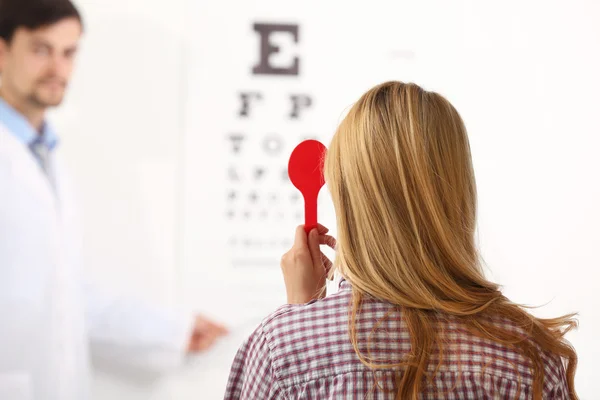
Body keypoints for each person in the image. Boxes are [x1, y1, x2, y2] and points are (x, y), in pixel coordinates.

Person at [224, 81, 578, 399]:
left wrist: (299, 318)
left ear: (348, 198)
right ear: (459, 190)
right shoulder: (527, 353)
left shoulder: (282, 349)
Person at [0, 0, 227, 399]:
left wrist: (173, 330)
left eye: (69, 53)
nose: (58, 69)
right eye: (41, 50)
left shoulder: (46, 157)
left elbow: (62, 293)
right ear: (2, 50)